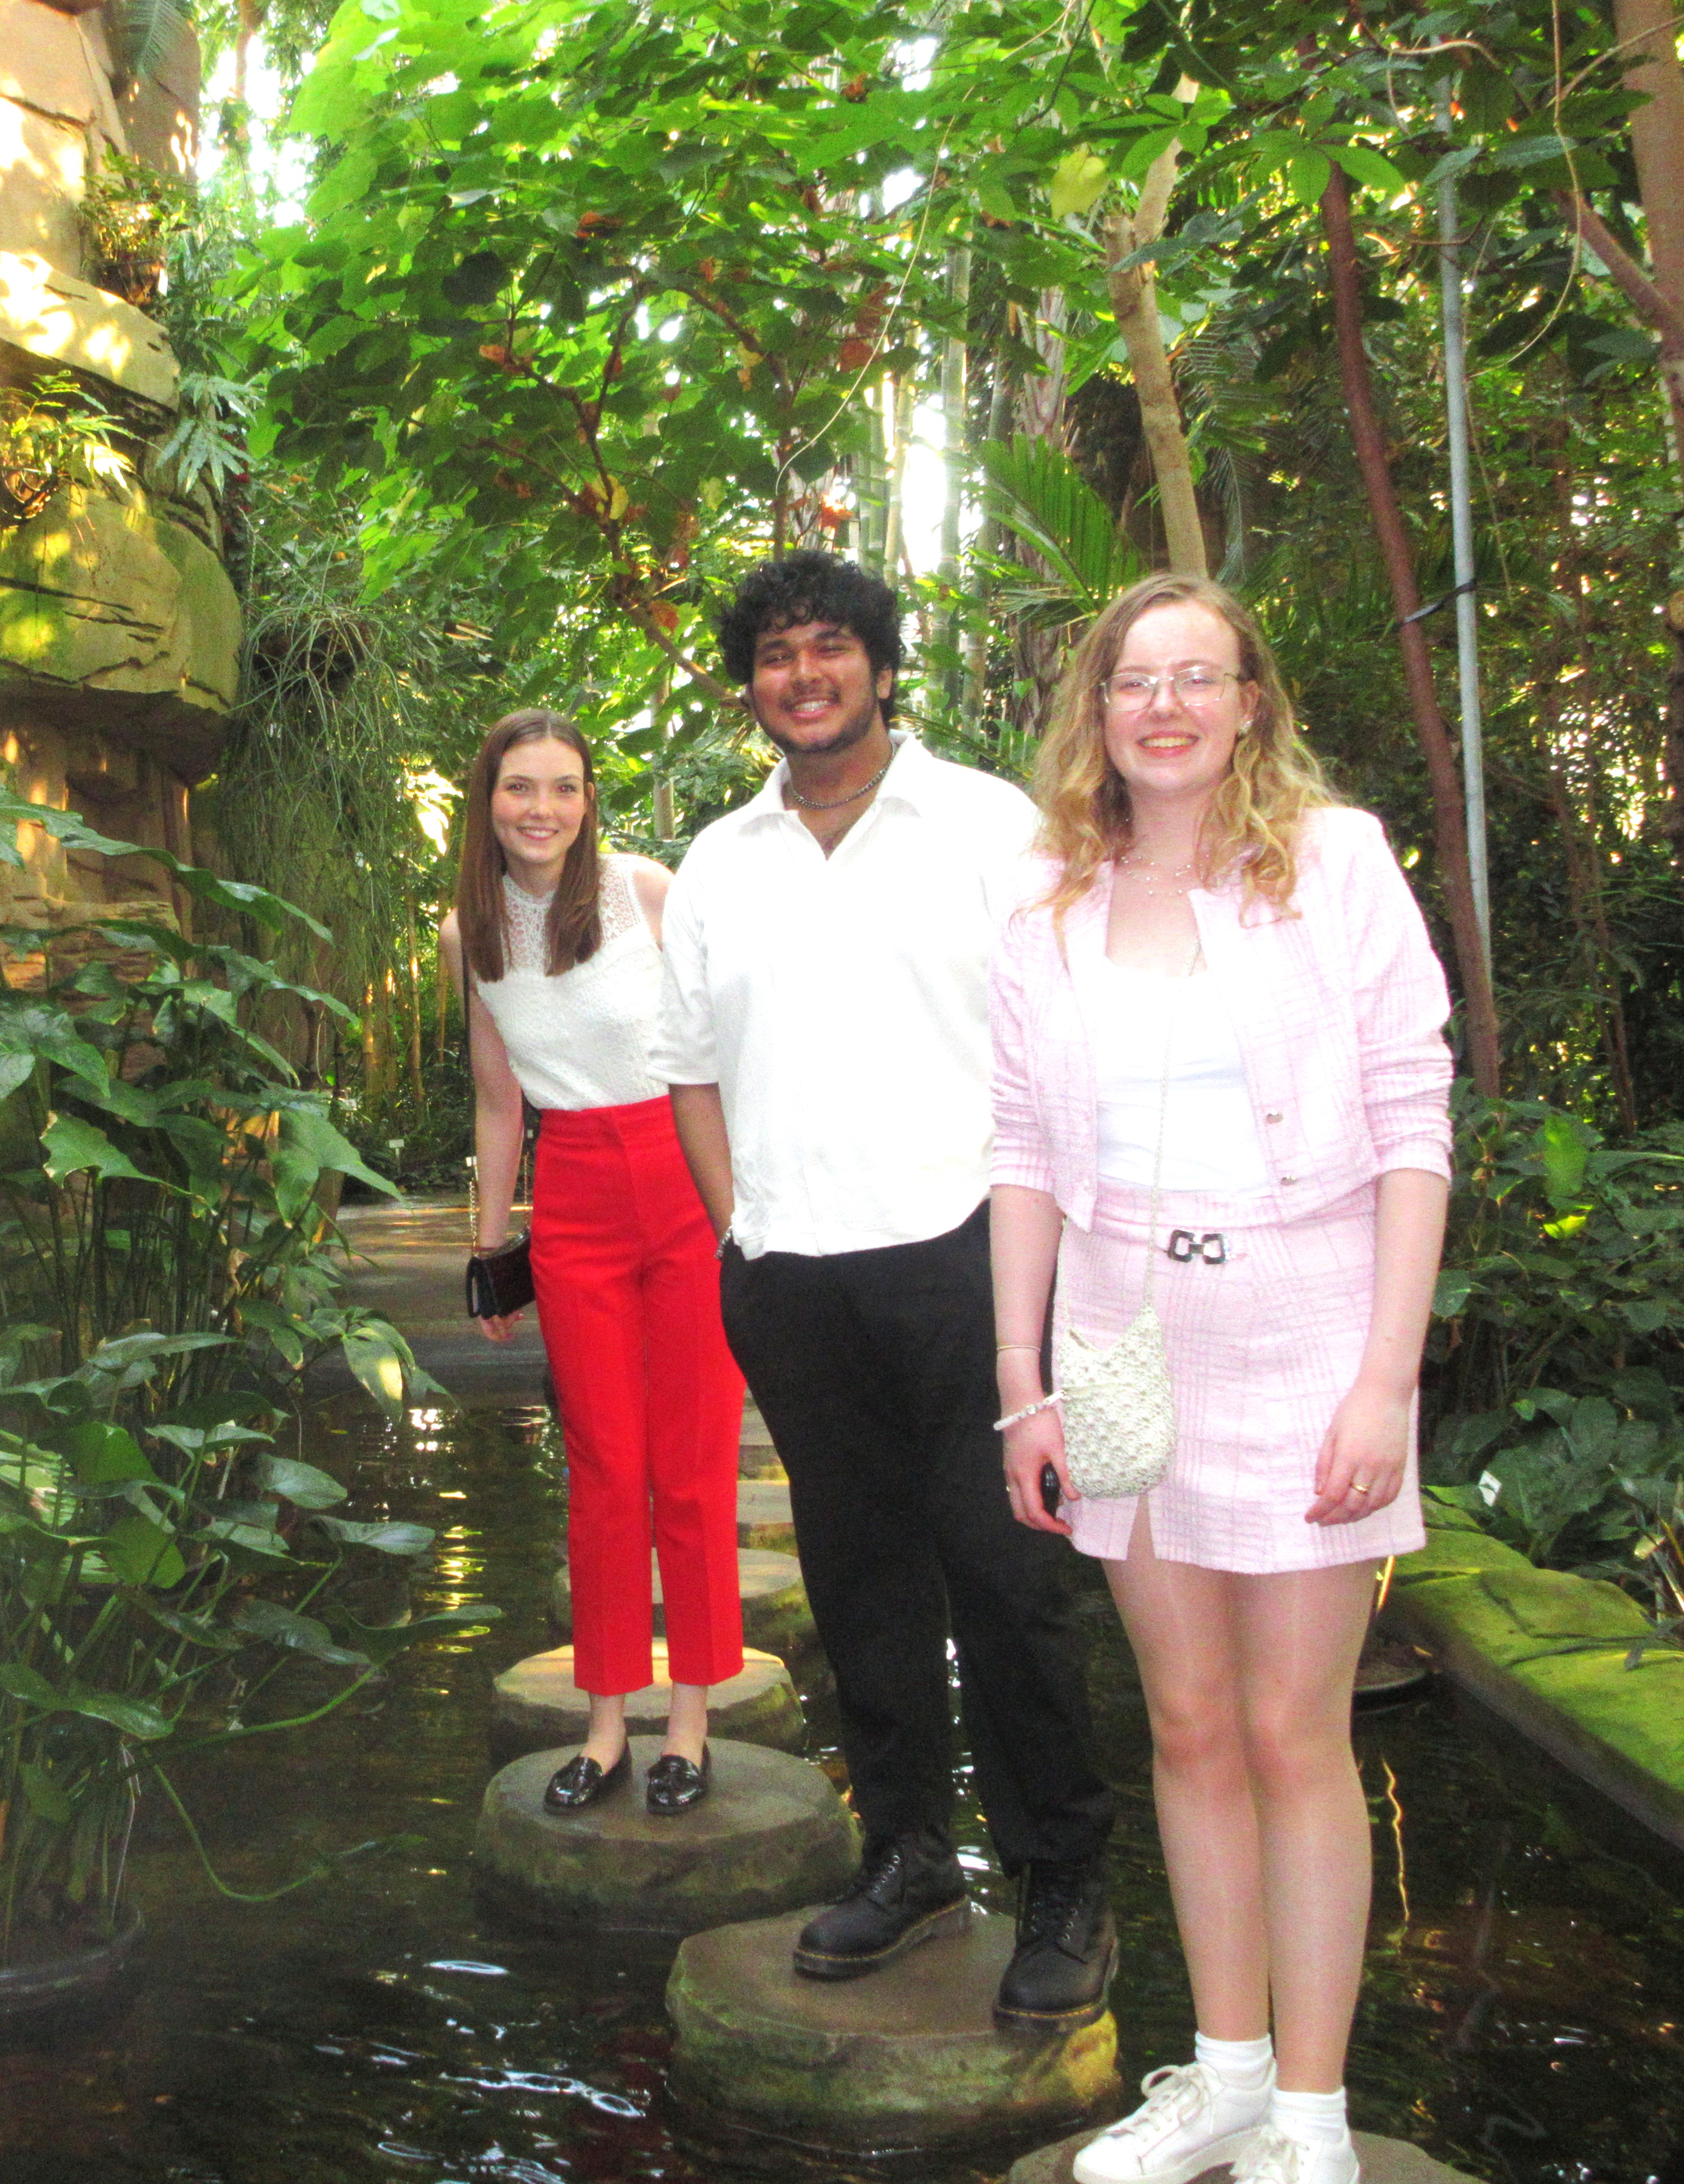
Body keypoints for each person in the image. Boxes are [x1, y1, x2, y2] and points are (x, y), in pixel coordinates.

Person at [987, 574, 1452, 2184]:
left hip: (1309, 1327)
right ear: (1098, 715)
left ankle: (1313, 2118)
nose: (1164, 705)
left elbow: (1412, 1123)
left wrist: (1385, 1380)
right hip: (1120, 1344)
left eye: (1197, 677)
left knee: (1289, 1730)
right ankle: (1228, 2076)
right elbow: (1020, 1155)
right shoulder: (1048, 899)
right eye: (1134, 682)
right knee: (1184, 1725)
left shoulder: (1335, 864)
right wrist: (1019, 1385)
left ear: (1250, 700)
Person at [654, 551, 1117, 2021]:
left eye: (830, 647)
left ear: (879, 664)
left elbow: (1069, 1042)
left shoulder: (989, 826)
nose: (805, 674)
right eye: (778, 653)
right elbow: (690, 1074)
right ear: (752, 685)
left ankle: (1065, 1884)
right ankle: (910, 1858)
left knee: (1007, 1582)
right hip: (795, 1279)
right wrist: (749, 1231)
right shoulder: (720, 859)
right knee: (860, 1586)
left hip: (970, 1254)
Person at [440, 708, 745, 1817]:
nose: (543, 809)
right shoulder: (469, 932)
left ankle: (694, 1721)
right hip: (572, 1193)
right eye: (522, 787)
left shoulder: (641, 892)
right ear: (489, 801)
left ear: (587, 799)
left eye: (564, 787)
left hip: (679, 1174)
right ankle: (609, 1718)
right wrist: (490, 1244)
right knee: (605, 1468)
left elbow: (721, 1052)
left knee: (693, 1460)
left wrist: (741, 1206)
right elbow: (495, 1098)